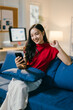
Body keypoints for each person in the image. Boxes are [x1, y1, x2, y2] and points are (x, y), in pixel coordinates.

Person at [0, 24, 72, 110]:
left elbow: (68, 62)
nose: (34, 37)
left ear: (43, 33)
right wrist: (19, 65)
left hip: (36, 79)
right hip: (23, 76)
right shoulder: (28, 48)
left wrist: (58, 47)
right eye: (32, 35)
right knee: (18, 86)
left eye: (37, 34)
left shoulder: (51, 49)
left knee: (19, 87)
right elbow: (24, 66)